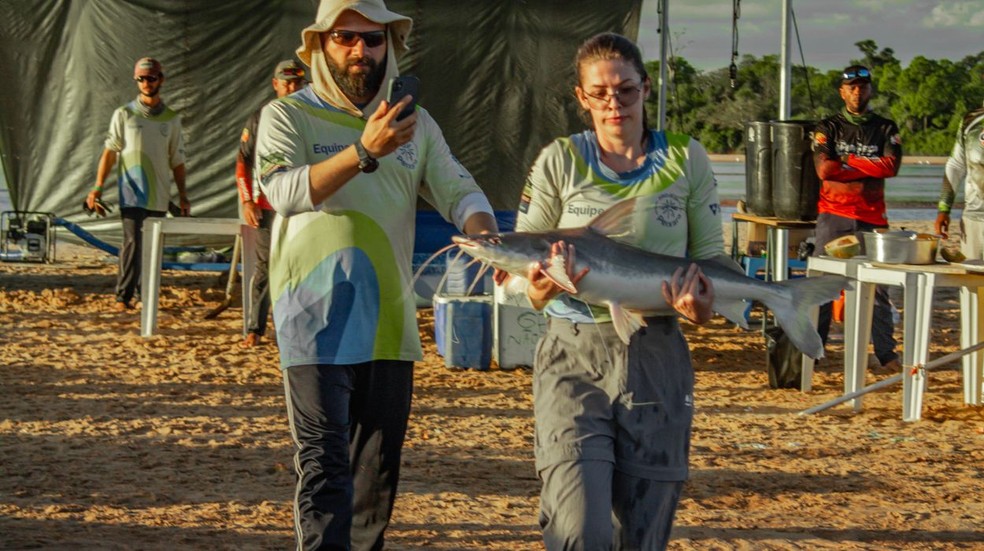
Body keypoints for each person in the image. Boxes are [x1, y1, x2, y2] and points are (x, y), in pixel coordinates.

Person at [253, 0, 498, 548]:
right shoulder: (287, 115)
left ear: (391, 47)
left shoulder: (416, 124)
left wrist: (482, 229)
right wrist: (363, 150)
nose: (360, 51)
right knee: (323, 468)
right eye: (345, 38)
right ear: (319, 46)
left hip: (389, 324)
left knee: (375, 484)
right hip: (313, 325)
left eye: (373, 39)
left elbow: (459, 190)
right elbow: (283, 192)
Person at [510, 32, 723, 550]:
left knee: (645, 533)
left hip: (657, 352)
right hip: (572, 352)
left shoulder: (686, 159)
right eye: (599, 93)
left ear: (646, 89)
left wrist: (702, 307)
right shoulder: (558, 160)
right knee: (578, 527)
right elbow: (521, 275)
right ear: (581, 98)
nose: (614, 104)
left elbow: (712, 262)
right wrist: (536, 290)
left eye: (625, 90)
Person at [811, 64, 902, 372]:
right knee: (823, 286)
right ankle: (815, 347)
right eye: (851, 86)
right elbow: (825, 170)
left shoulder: (886, 127)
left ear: (870, 90)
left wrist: (847, 160)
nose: (857, 90)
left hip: (872, 218)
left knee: (879, 288)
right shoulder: (828, 127)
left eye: (863, 85)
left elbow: (891, 167)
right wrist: (868, 162)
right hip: (833, 215)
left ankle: (886, 353)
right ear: (842, 90)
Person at [85, 57, 189, 312]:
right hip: (131, 192)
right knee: (132, 243)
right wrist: (97, 188)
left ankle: (147, 295)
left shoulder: (172, 119)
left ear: (160, 80)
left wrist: (183, 196)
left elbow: (177, 161)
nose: (146, 83)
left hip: (159, 194)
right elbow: (109, 153)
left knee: (152, 247)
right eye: (141, 79)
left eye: (151, 78)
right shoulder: (124, 114)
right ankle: (123, 297)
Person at [236, 59, 307, 348]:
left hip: (303, 205)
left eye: (297, 82)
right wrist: (247, 200)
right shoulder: (260, 117)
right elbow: (243, 160)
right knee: (265, 268)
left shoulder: (311, 115)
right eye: (286, 82)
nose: (291, 87)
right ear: (275, 84)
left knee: (301, 267)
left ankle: (295, 327)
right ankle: (255, 328)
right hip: (266, 205)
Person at [935, 99, 984, 258]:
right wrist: (944, 208)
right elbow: (956, 165)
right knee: (970, 279)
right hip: (973, 219)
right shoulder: (971, 120)